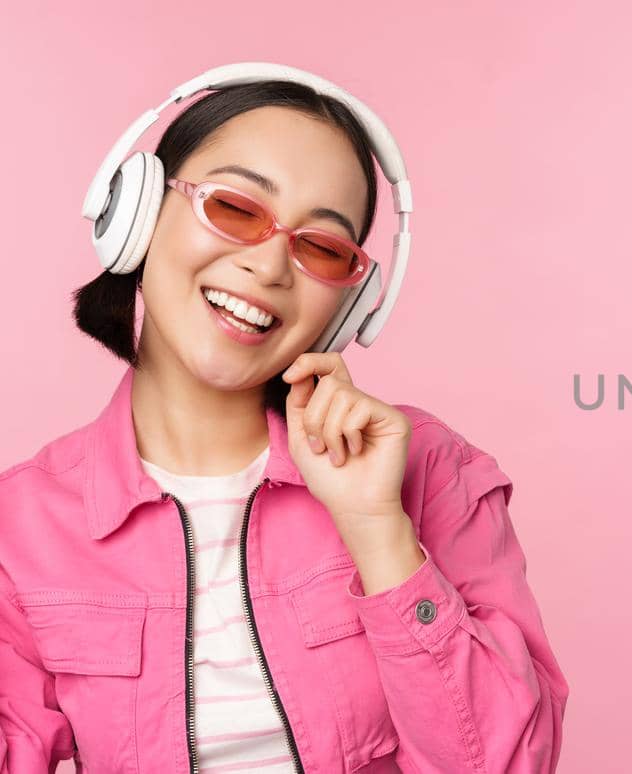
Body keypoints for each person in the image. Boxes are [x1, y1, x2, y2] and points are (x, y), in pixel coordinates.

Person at [0, 75, 568, 772]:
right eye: (235, 208)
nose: (269, 265)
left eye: (322, 248)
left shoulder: (427, 468)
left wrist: (377, 531)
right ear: (136, 215)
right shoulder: (19, 526)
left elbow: (508, 763)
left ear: (352, 304)